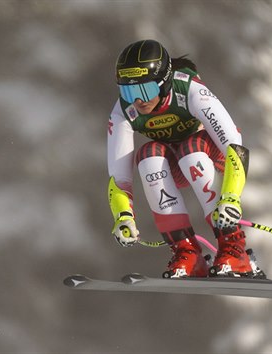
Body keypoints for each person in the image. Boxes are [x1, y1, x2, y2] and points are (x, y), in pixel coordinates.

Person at [107, 39, 263, 278]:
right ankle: (187, 252)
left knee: (191, 150)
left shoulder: (189, 90)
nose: (139, 100)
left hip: (217, 157)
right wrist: (123, 216)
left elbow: (235, 147)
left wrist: (231, 197)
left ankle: (234, 248)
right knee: (147, 156)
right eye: (129, 90)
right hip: (177, 162)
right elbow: (118, 178)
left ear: (164, 82)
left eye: (145, 90)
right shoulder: (123, 111)